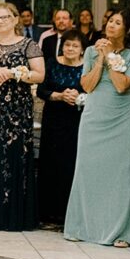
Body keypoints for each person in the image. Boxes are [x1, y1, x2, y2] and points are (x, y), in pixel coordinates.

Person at [63, 9, 130, 246]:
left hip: (122, 118)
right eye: (110, 21)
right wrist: (100, 58)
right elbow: (87, 86)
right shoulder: (90, 50)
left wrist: (110, 56)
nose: (111, 25)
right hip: (95, 117)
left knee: (121, 175)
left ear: (128, 29)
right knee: (88, 171)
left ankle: (122, 232)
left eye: (118, 23)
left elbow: (121, 86)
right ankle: (83, 226)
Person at [0, 3, 45, 231]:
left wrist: (12, 73)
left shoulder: (28, 45)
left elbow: (40, 76)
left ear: (15, 20)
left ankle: (15, 216)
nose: (0, 21)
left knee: (15, 158)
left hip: (16, 112)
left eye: (5, 17)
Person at [36, 30, 86, 224]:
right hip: (53, 118)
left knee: (71, 163)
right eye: (67, 45)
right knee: (50, 162)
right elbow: (42, 90)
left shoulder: (87, 67)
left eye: (75, 45)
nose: (70, 48)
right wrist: (60, 95)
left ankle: (68, 212)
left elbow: (92, 89)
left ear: (82, 49)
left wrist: (79, 97)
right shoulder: (52, 62)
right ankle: (46, 211)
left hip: (76, 120)